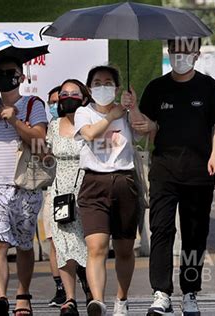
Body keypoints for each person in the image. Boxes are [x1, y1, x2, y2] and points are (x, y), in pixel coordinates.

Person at [137, 38, 215, 316]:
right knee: (162, 230)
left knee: (194, 235)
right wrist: (135, 112)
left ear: (196, 54)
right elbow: (146, 129)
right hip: (164, 172)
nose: (180, 55)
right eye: (175, 50)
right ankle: (161, 293)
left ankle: (190, 293)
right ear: (169, 52)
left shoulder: (209, 87)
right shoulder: (156, 88)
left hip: (200, 173)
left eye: (186, 51)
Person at [0, 56, 48, 316]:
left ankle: (23, 294)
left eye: (11, 72)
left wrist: (15, 121)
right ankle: (1, 298)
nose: (6, 77)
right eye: (1, 73)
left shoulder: (33, 104)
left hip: (24, 186)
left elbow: (39, 140)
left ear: (22, 76)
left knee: (25, 245)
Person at [74, 65, 141, 316]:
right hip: (94, 184)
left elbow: (144, 130)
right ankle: (98, 301)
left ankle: (121, 299)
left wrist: (132, 107)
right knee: (97, 247)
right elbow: (90, 134)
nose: (103, 87)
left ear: (117, 87)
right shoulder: (84, 112)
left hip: (124, 182)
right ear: (90, 88)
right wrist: (111, 116)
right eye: (98, 83)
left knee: (124, 248)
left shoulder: (124, 113)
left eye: (108, 82)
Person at [47, 79, 94, 316]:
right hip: (59, 193)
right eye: (63, 93)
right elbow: (45, 153)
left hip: (87, 188)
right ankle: (70, 298)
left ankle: (91, 288)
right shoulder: (53, 126)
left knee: (88, 243)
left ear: (84, 98)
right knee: (62, 245)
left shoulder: (90, 123)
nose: (67, 97)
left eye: (73, 93)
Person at [40, 85, 68, 307]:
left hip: (77, 189)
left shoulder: (80, 123)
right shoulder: (48, 128)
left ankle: (84, 285)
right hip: (53, 191)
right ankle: (60, 287)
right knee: (54, 241)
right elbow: (42, 155)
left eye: (59, 101)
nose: (55, 105)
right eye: (51, 102)